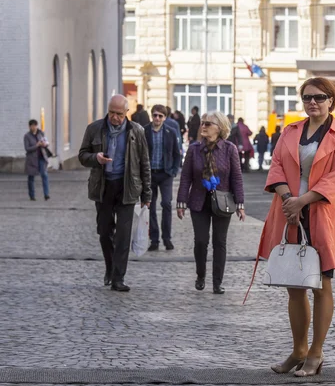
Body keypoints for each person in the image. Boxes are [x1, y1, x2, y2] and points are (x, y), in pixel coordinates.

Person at [254, 77, 335, 377]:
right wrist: (288, 199)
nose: (313, 102)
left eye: (320, 97)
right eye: (308, 97)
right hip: (288, 213)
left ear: (331, 101)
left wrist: (302, 202)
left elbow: (334, 179)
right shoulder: (291, 131)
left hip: (320, 213)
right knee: (294, 286)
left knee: (322, 286)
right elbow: (277, 166)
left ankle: (316, 352)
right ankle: (298, 349)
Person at [78, 94, 152, 291]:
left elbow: (145, 163)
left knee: (123, 235)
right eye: (111, 112)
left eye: (119, 114)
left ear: (126, 113)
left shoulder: (137, 131)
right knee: (104, 232)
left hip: (127, 187)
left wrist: (147, 195)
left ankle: (118, 278)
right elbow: (82, 156)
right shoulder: (95, 129)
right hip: (103, 186)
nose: (115, 117)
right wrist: (96, 157)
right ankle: (110, 268)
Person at [176, 111, 245, 294]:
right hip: (199, 202)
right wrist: (181, 202)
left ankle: (217, 282)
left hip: (223, 202)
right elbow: (185, 178)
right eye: (202, 123)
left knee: (219, 242)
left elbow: (236, 178)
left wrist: (240, 204)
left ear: (220, 128)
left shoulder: (229, 149)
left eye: (208, 124)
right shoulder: (194, 149)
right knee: (200, 241)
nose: (203, 126)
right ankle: (200, 275)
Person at [144, 104, 181, 251]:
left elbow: (177, 154)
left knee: (166, 204)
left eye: (160, 116)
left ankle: (167, 238)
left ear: (165, 117)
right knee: (150, 207)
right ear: (151, 116)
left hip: (165, 174)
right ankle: (154, 239)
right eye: (155, 115)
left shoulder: (170, 132)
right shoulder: (144, 131)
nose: (157, 118)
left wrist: (173, 171)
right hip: (149, 174)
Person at [23, 119, 50, 201]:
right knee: (31, 177)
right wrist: (37, 145)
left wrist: (45, 144)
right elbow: (27, 148)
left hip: (41, 157)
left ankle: (46, 194)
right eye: (32, 126)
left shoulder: (40, 133)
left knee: (44, 175)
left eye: (35, 125)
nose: (34, 127)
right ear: (29, 126)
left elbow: (46, 142)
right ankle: (32, 195)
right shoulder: (27, 136)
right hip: (31, 159)